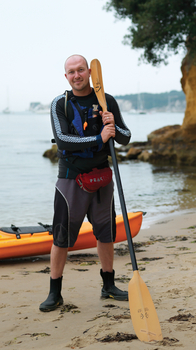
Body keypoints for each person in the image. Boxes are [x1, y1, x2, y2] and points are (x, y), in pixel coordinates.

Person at [40, 55, 131, 312]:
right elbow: (63, 139)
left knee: (106, 233)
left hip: (102, 177)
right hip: (71, 179)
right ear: (66, 76)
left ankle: (109, 286)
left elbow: (125, 137)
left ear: (90, 72)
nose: (76, 75)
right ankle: (54, 293)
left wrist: (112, 126)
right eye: (71, 72)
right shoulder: (60, 103)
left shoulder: (106, 100)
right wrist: (100, 137)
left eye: (81, 70)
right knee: (61, 237)